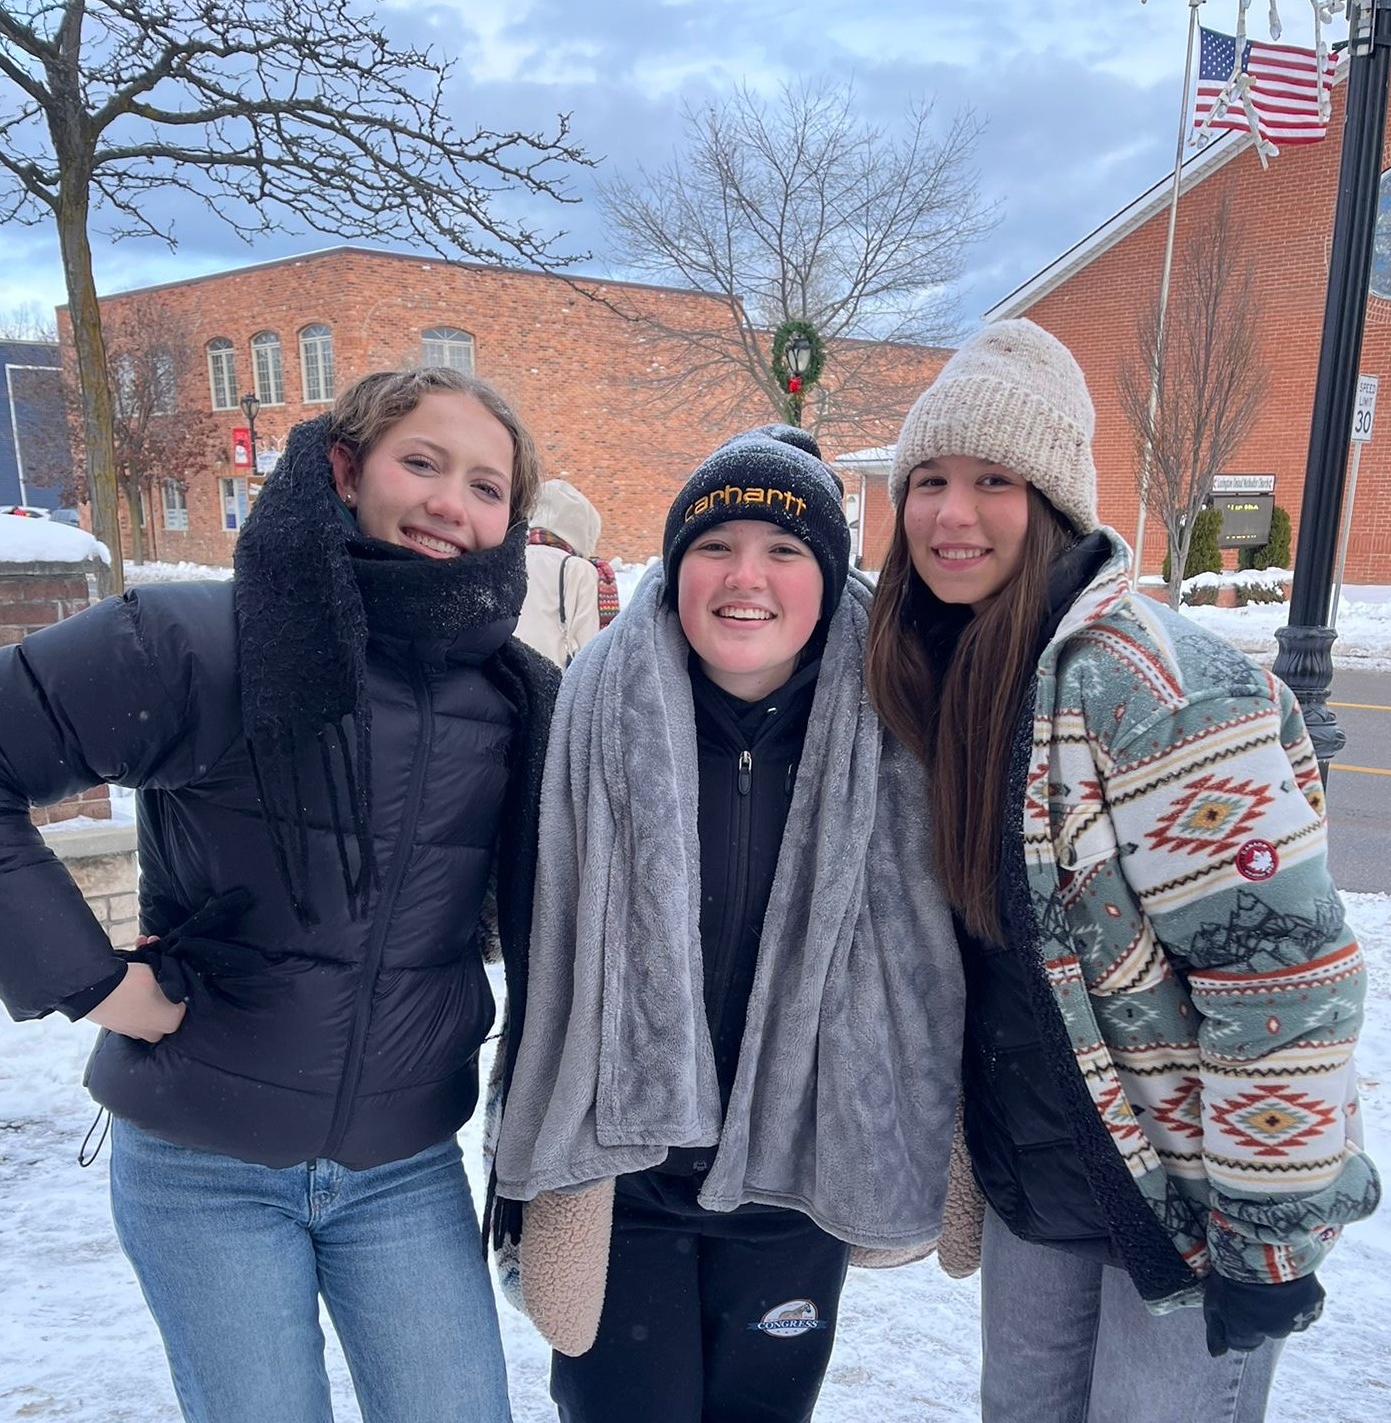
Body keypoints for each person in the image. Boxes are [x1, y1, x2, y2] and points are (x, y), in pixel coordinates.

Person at [0, 367, 560, 1423]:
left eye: (485, 487)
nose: (448, 503)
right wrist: (95, 984)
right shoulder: (203, 642)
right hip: (205, 1166)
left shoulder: (517, 700)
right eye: (421, 462)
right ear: (345, 469)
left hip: (404, 1165)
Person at [865, 319, 1382, 1423]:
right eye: (929, 480)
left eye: (993, 480)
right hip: (1047, 1184)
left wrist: (1266, 1235)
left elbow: (1281, 976)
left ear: (1051, 501)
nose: (951, 513)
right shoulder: (947, 672)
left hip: (1187, 1199)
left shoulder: (1151, 687)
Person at [490, 425, 965, 1423]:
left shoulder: (903, 718)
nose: (745, 576)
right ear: (676, 566)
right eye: (715, 545)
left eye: (784, 550)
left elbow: (944, 951)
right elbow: (539, 948)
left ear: (826, 576)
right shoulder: (587, 707)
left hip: (792, 1175)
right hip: (624, 1175)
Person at [515, 477, 614, 667]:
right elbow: (589, 644)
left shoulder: (511, 559)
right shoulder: (579, 569)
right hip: (553, 676)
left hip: (504, 675)